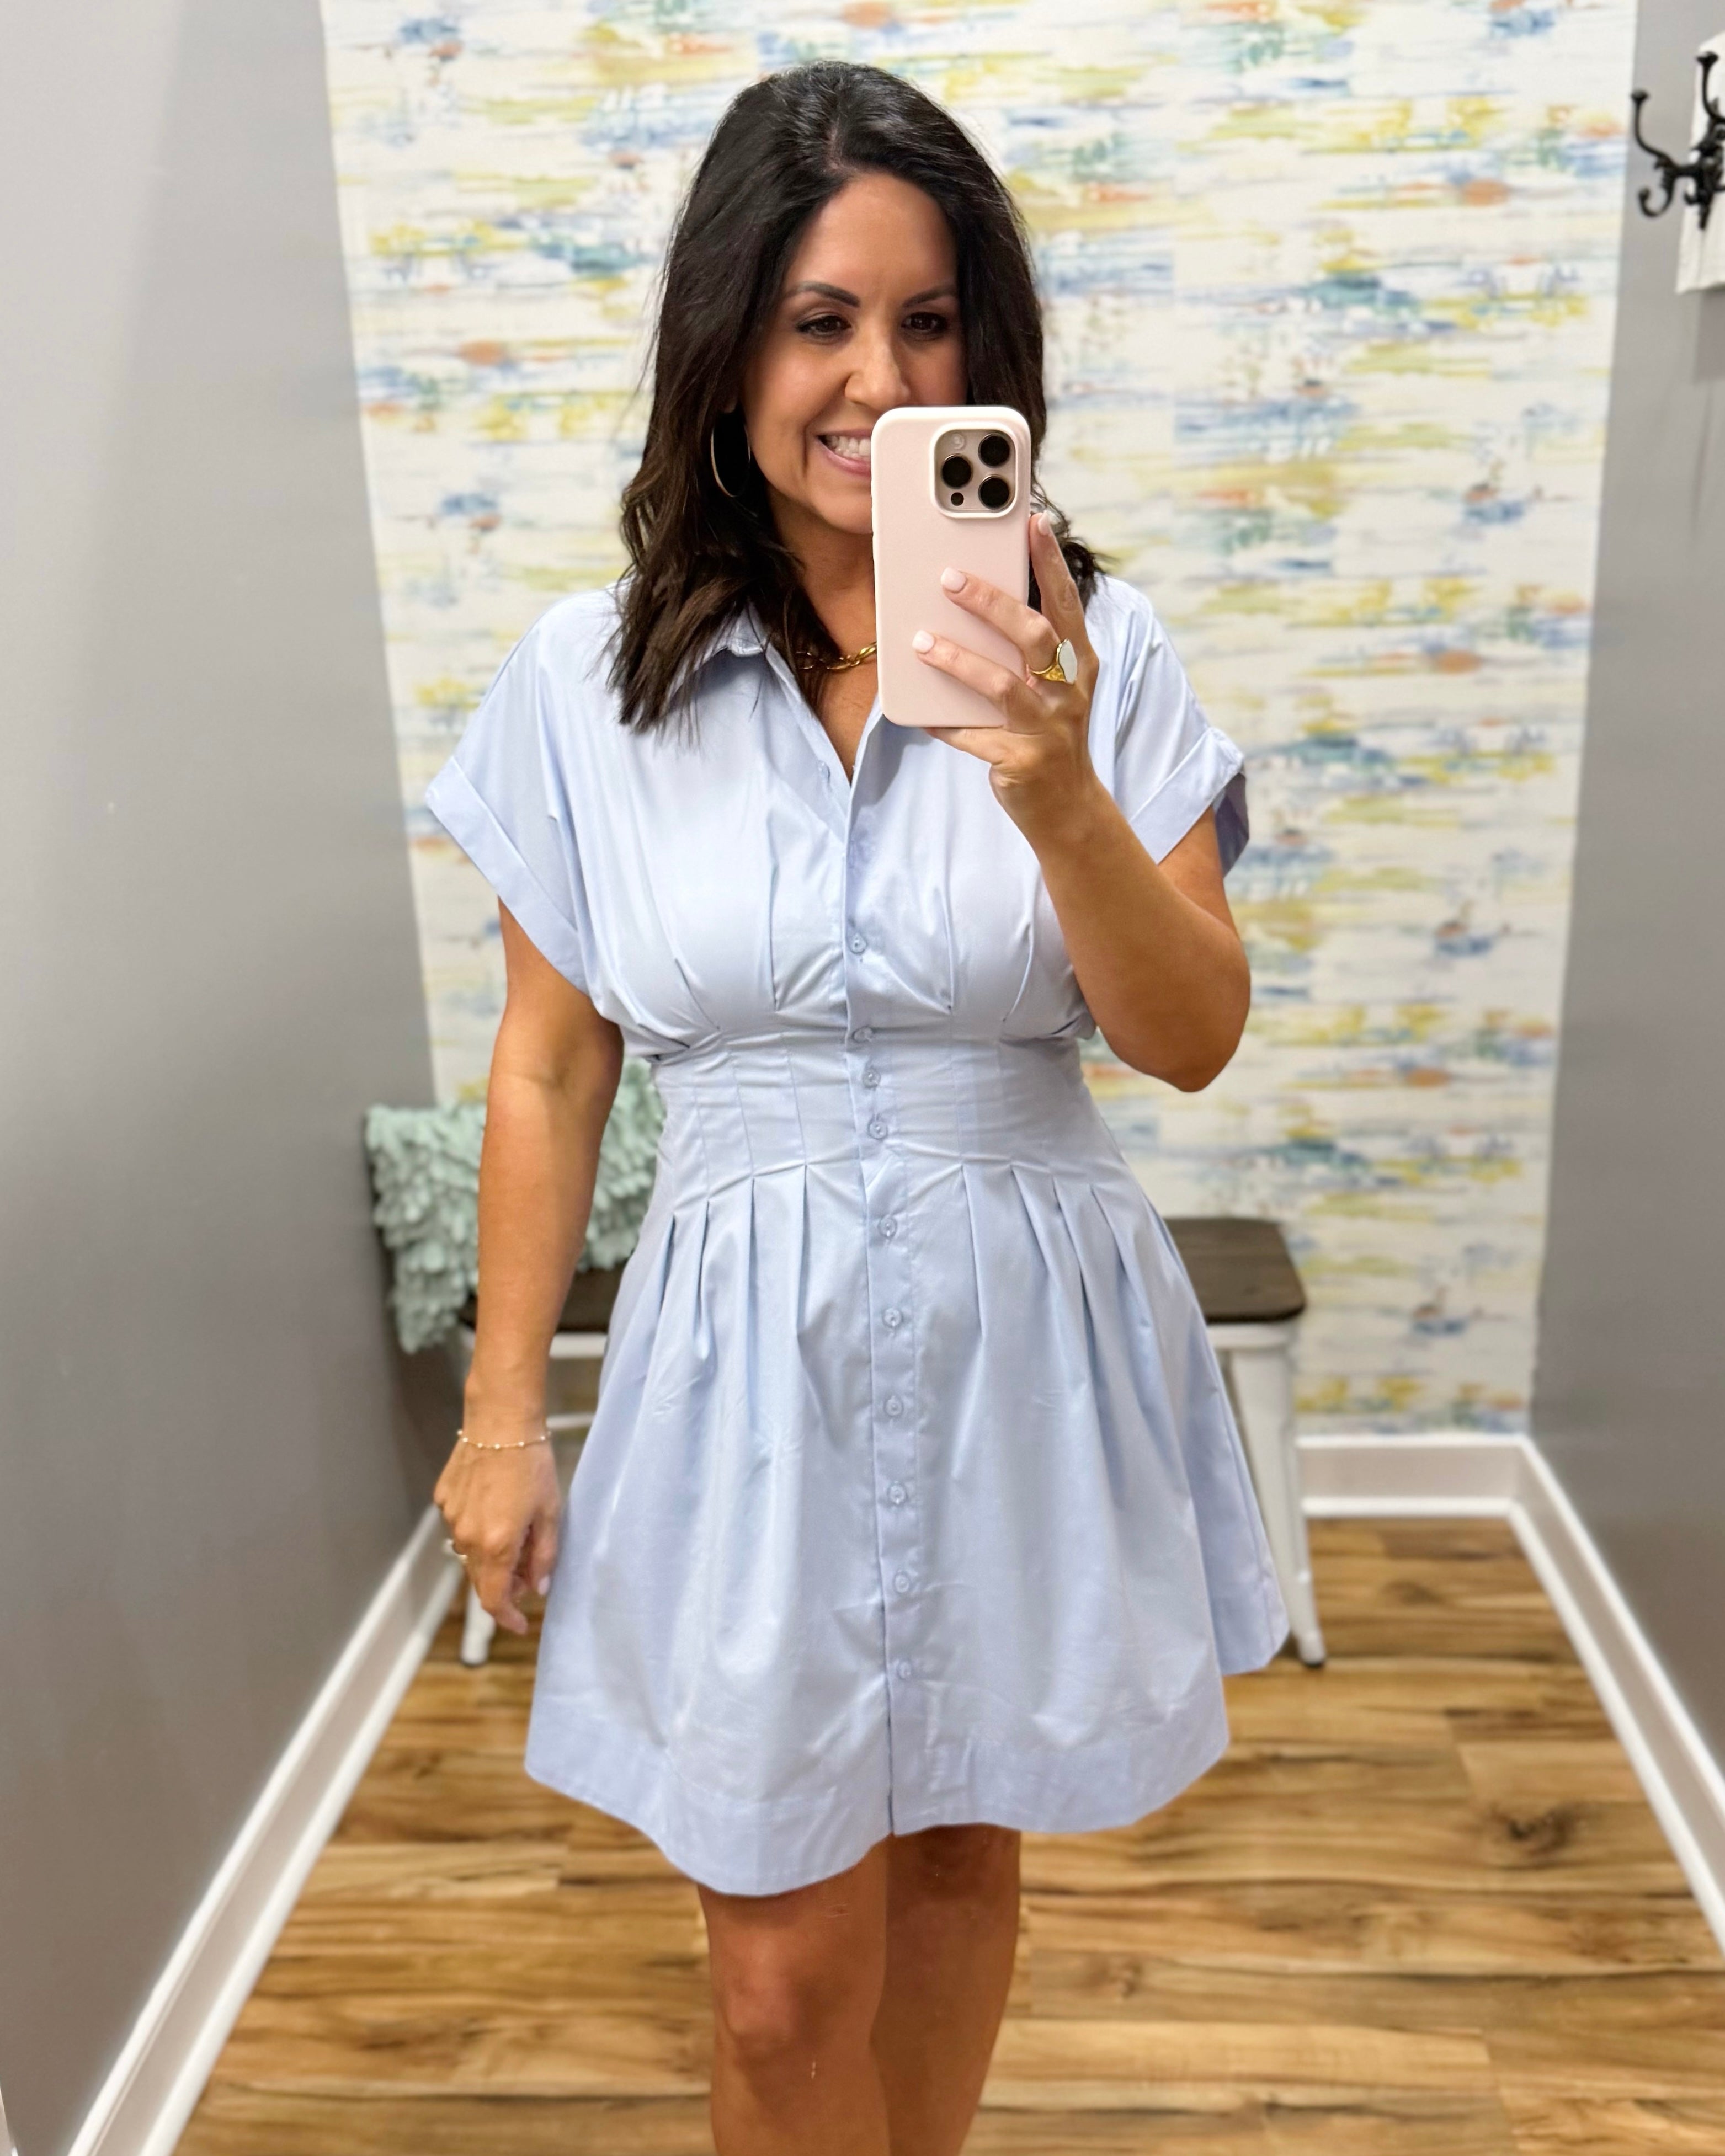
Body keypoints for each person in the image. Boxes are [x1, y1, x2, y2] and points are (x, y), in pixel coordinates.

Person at [427, 58, 1287, 2156]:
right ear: (726, 345)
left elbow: (1184, 1034)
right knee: (776, 1966)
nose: (876, 380)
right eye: (819, 319)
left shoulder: (1100, 651)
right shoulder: (586, 683)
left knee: (958, 1868)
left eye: (926, 323)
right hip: (740, 1352)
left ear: (987, 353)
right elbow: (550, 1064)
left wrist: (1059, 787)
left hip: (1027, 1333)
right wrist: (501, 1409)